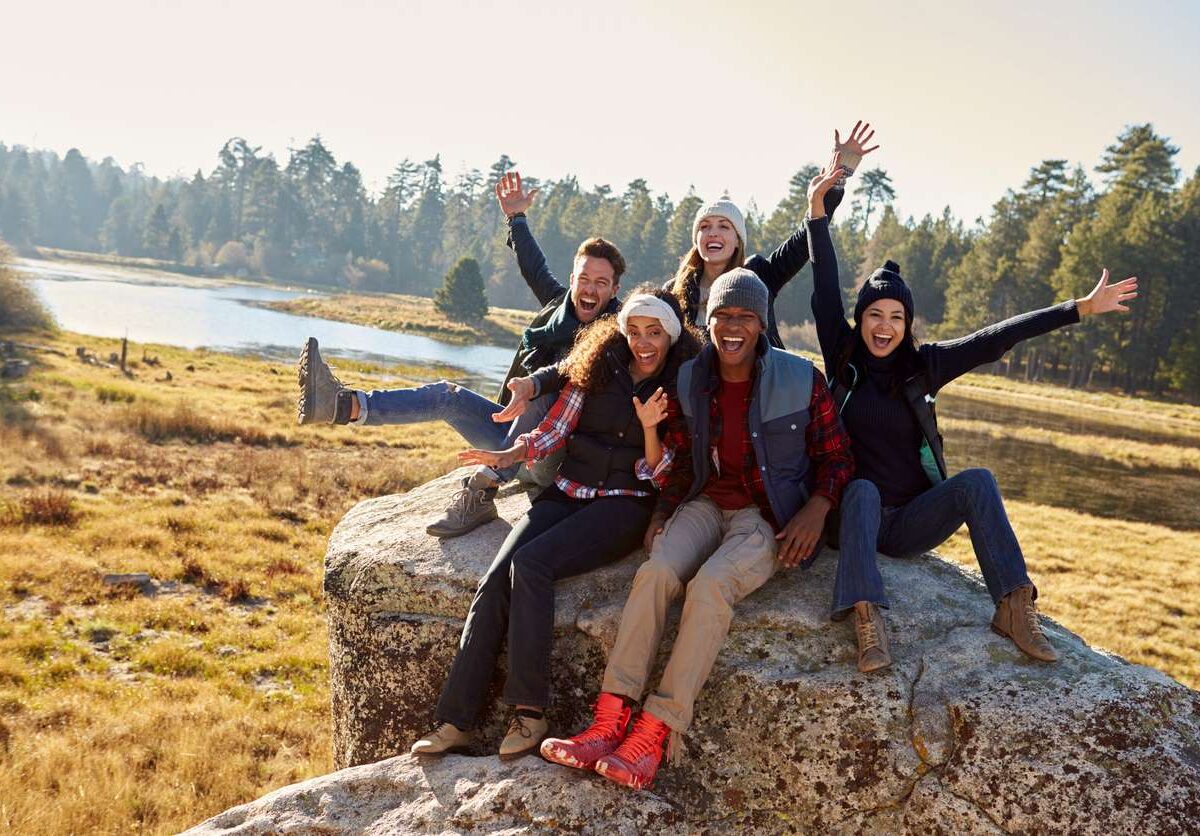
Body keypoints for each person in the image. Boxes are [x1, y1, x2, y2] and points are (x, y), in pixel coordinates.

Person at [803, 155, 1140, 672]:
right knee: (864, 489)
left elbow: (997, 338)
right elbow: (825, 283)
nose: (884, 326)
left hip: (910, 523)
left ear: (907, 322)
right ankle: (867, 617)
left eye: (896, 316)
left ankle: (1012, 606)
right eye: (875, 314)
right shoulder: (843, 359)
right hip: (852, 517)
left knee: (978, 481)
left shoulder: (926, 366)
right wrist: (816, 212)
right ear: (861, 319)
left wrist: (1078, 309)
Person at [540, 270, 854, 790]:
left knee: (710, 587)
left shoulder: (802, 378)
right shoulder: (691, 379)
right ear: (707, 323)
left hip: (766, 518)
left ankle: (652, 735)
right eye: (723, 316)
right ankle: (607, 722)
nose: (733, 327)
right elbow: (684, 462)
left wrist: (816, 509)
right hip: (705, 503)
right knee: (657, 571)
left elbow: (838, 458)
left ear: (762, 324)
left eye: (745, 317)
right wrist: (663, 514)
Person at [409, 288, 701, 761]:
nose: (643, 342)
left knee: (531, 563)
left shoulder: (683, 385)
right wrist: (510, 454)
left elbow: (665, 473)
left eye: (653, 332)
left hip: (625, 504)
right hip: (567, 490)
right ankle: (454, 720)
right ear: (621, 332)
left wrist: (650, 426)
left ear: (670, 333)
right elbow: (555, 430)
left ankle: (530, 712)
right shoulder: (598, 369)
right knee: (493, 580)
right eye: (633, 331)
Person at [295, 171, 623, 539]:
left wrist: (533, 384)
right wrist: (516, 218)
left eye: (601, 282)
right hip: (507, 435)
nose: (590, 289)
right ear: (573, 278)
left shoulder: (615, 333)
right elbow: (534, 266)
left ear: (614, 290)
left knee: (545, 390)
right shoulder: (558, 306)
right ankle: (344, 406)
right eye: (583, 279)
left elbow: (567, 373)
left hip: (552, 456)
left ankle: (481, 491)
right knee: (445, 396)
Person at [664, 120, 878, 348]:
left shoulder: (759, 275)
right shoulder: (674, 292)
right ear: (696, 239)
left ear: (738, 240)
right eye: (704, 226)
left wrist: (837, 177)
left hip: (762, 382)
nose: (712, 233)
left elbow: (804, 239)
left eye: (724, 226)